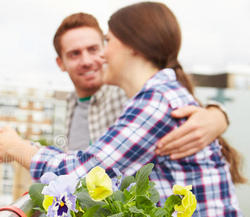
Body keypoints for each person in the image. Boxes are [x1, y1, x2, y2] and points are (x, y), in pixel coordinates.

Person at [0, 2, 249, 217]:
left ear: (133, 45)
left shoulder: (156, 102)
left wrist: (17, 147)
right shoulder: (157, 96)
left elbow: (82, 173)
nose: (101, 55)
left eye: (107, 42)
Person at [54, 12, 228, 158]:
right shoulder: (69, 103)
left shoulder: (128, 91)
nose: (87, 61)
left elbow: (184, 103)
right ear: (60, 63)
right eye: (74, 54)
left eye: (93, 49)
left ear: (106, 49)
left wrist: (216, 117)